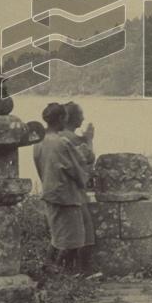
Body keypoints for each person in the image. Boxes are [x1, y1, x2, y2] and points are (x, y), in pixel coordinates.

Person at [33, 102, 94, 274]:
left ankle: (52, 269)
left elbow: (40, 166)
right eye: (64, 117)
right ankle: (59, 272)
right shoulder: (62, 143)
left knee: (58, 236)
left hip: (50, 192)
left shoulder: (39, 142)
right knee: (72, 239)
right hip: (66, 195)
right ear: (61, 118)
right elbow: (77, 168)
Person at [62, 101, 96, 273]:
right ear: (73, 118)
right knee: (86, 231)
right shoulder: (72, 139)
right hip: (74, 192)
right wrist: (89, 139)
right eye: (80, 114)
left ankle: (68, 271)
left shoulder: (61, 136)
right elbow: (89, 159)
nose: (83, 118)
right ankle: (85, 270)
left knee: (65, 233)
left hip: (61, 191)